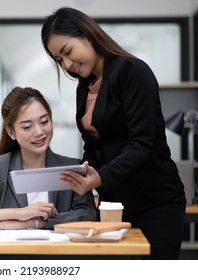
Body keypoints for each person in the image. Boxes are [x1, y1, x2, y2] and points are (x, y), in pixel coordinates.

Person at [41, 7, 186, 259]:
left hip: (155, 202)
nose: (67, 64)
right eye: (59, 60)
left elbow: (141, 144)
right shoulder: (84, 88)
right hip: (113, 206)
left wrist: (99, 178)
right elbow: (92, 146)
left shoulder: (132, 71)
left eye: (67, 52)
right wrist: (81, 174)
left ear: (87, 35)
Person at [0, 86, 97, 230]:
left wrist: (35, 223)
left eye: (44, 122)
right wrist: (19, 213)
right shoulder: (0, 168)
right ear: (11, 132)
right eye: (27, 127)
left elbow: (89, 215)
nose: (39, 132)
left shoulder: (71, 167)